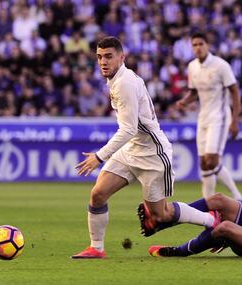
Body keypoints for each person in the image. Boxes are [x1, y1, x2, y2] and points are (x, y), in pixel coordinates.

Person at [71, 37, 220, 259]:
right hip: (131, 150)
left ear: (122, 57)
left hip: (152, 154)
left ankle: (212, 221)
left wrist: (99, 157)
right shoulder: (117, 79)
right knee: (98, 194)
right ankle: (97, 248)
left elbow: (128, 129)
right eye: (100, 57)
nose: (103, 61)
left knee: (161, 214)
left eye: (109, 56)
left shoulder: (124, 83)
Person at [176, 32, 242, 201]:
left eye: (201, 44)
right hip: (203, 117)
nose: (198, 48)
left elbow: (235, 92)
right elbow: (194, 92)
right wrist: (184, 101)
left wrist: (235, 121)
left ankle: (236, 196)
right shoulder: (192, 67)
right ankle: (209, 204)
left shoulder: (221, 66)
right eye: (194, 45)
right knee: (204, 164)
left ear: (208, 45)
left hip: (220, 117)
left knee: (211, 160)